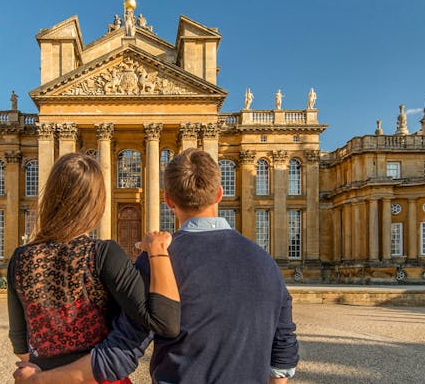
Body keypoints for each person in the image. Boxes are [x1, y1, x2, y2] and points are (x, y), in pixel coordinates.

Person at [18, 148, 299, 384]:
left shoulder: (157, 262)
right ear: (220, 194)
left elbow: (121, 352)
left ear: (167, 200)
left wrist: (40, 379)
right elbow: (283, 355)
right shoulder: (266, 264)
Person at [8, 153, 181, 384]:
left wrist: (43, 376)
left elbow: (20, 343)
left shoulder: (20, 258)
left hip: (39, 375)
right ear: (96, 202)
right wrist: (157, 250)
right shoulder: (103, 254)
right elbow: (164, 321)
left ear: (50, 197)